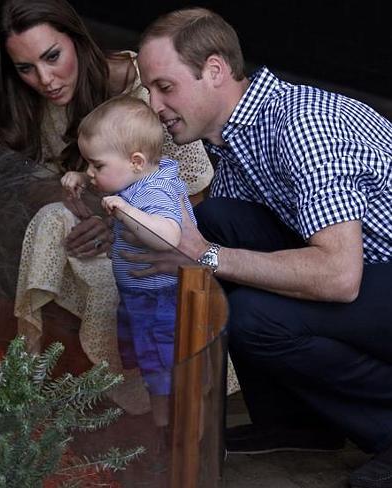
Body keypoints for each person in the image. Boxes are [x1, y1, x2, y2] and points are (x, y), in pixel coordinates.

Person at [129, 7, 392, 487]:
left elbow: (339, 275)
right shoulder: (234, 138)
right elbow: (209, 230)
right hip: (371, 277)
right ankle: (300, 424)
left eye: (165, 87)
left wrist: (207, 253)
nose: (156, 105)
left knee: (253, 314)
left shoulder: (304, 123)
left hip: (368, 270)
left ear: (214, 70)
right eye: (149, 91)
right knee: (218, 220)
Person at [0, 0, 229, 414]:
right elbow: (31, 182)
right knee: (49, 221)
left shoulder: (146, 94)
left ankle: (162, 416)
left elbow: (195, 198)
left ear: (77, 41)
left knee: (155, 339)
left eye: (52, 57)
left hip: (162, 250)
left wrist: (116, 223)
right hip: (103, 237)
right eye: (25, 68)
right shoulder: (39, 100)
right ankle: (33, 368)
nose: (44, 79)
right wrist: (87, 207)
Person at [62, 95, 195, 440]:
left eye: (97, 166)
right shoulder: (138, 178)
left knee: (164, 369)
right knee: (152, 367)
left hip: (162, 300)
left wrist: (125, 210)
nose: (92, 173)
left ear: (136, 161)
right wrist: (83, 177)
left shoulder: (155, 192)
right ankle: (163, 425)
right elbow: (113, 179)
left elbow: (168, 236)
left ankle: (172, 434)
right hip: (141, 296)